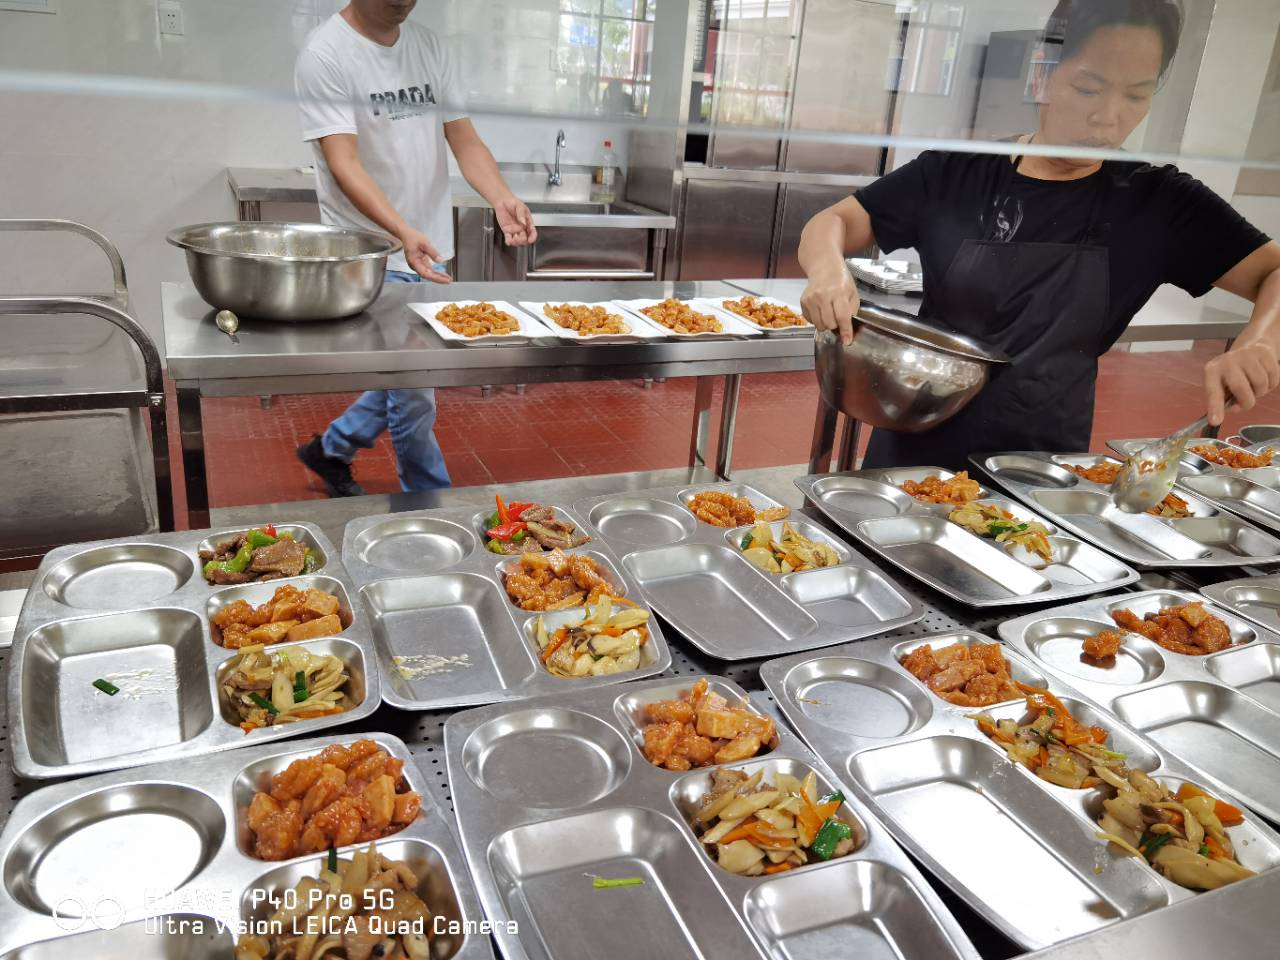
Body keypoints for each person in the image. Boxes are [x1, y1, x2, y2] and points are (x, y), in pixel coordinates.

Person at [798, 0, 1280, 470]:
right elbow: (832, 222)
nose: (1109, 115)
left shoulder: (1160, 202)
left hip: (1039, 473)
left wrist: (1260, 341)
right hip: (913, 453)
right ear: (1041, 74)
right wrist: (827, 271)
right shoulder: (957, 172)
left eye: (1136, 95)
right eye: (1088, 88)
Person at [293, 0, 536, 496]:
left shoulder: (428, 46)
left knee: (407, 375)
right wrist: (401, 231)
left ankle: (331, 449)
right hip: (372, 256)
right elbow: (344, 162)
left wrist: (501, 197)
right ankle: (431, 505)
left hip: (429, 249)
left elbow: (463, 139)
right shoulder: (326, 53)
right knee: (416, 389)